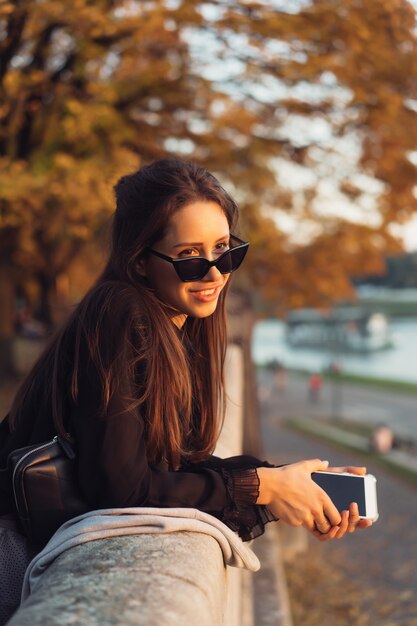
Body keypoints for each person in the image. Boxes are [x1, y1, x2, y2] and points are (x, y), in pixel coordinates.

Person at [0, 158, 371, 549]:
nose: (214, 274)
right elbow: (121, 489)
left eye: (224, 250)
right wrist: (262, 486)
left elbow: (173, 472)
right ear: (140, 260)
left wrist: (289, 486)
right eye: (191, 257)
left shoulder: (178, 329)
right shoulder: (118, 312)